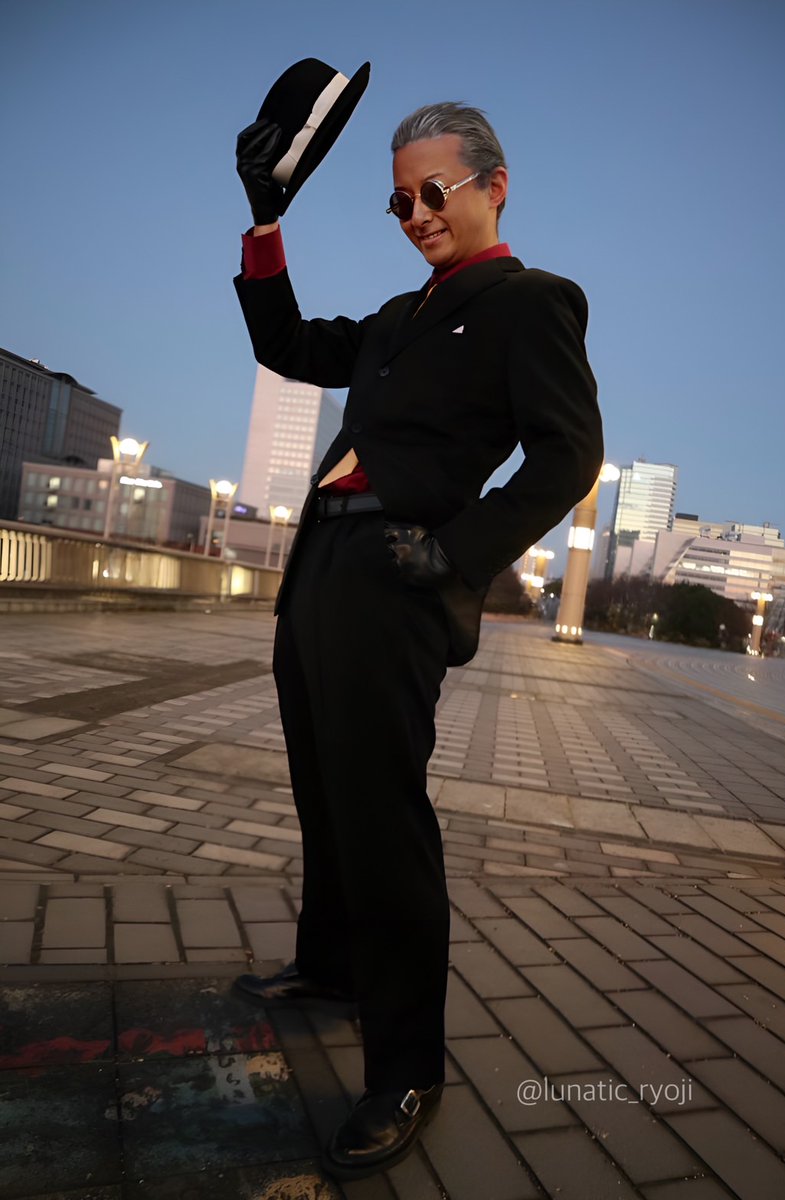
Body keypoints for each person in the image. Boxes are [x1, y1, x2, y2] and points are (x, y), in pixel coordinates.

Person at [232, 89, 603, 1181]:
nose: (417, 214)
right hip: (321, 567)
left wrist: (455, 554)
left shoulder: (530, 303)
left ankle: (405, 1070)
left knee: (383, 818)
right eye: (399, 201)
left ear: (495, 186)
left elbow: (567, 453)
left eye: (433, 191)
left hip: (396, 578)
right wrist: (265, 222)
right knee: (323, 786)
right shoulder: (400, 315)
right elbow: (288, 345)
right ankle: (331, 966)